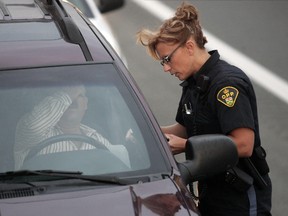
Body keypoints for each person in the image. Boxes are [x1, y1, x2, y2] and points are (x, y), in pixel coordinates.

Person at [136, 2, 271, 216]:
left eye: (168, 59)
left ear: (189, 47)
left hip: (240, 199)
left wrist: (187, 146)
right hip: (211, 192)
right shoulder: (194, 83)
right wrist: (143, 132)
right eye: (162, 62)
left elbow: (244, 145)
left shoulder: (227, 85)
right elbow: (183, 128)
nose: (166, 68)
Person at [14, 85, 131, 170]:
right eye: (66, 92)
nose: (72, 99)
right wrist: (67, 95)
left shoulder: (96, 138)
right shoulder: (32, 133)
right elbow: (34, 126)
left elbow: (118, 169)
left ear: (86, 104)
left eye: (79, 95)